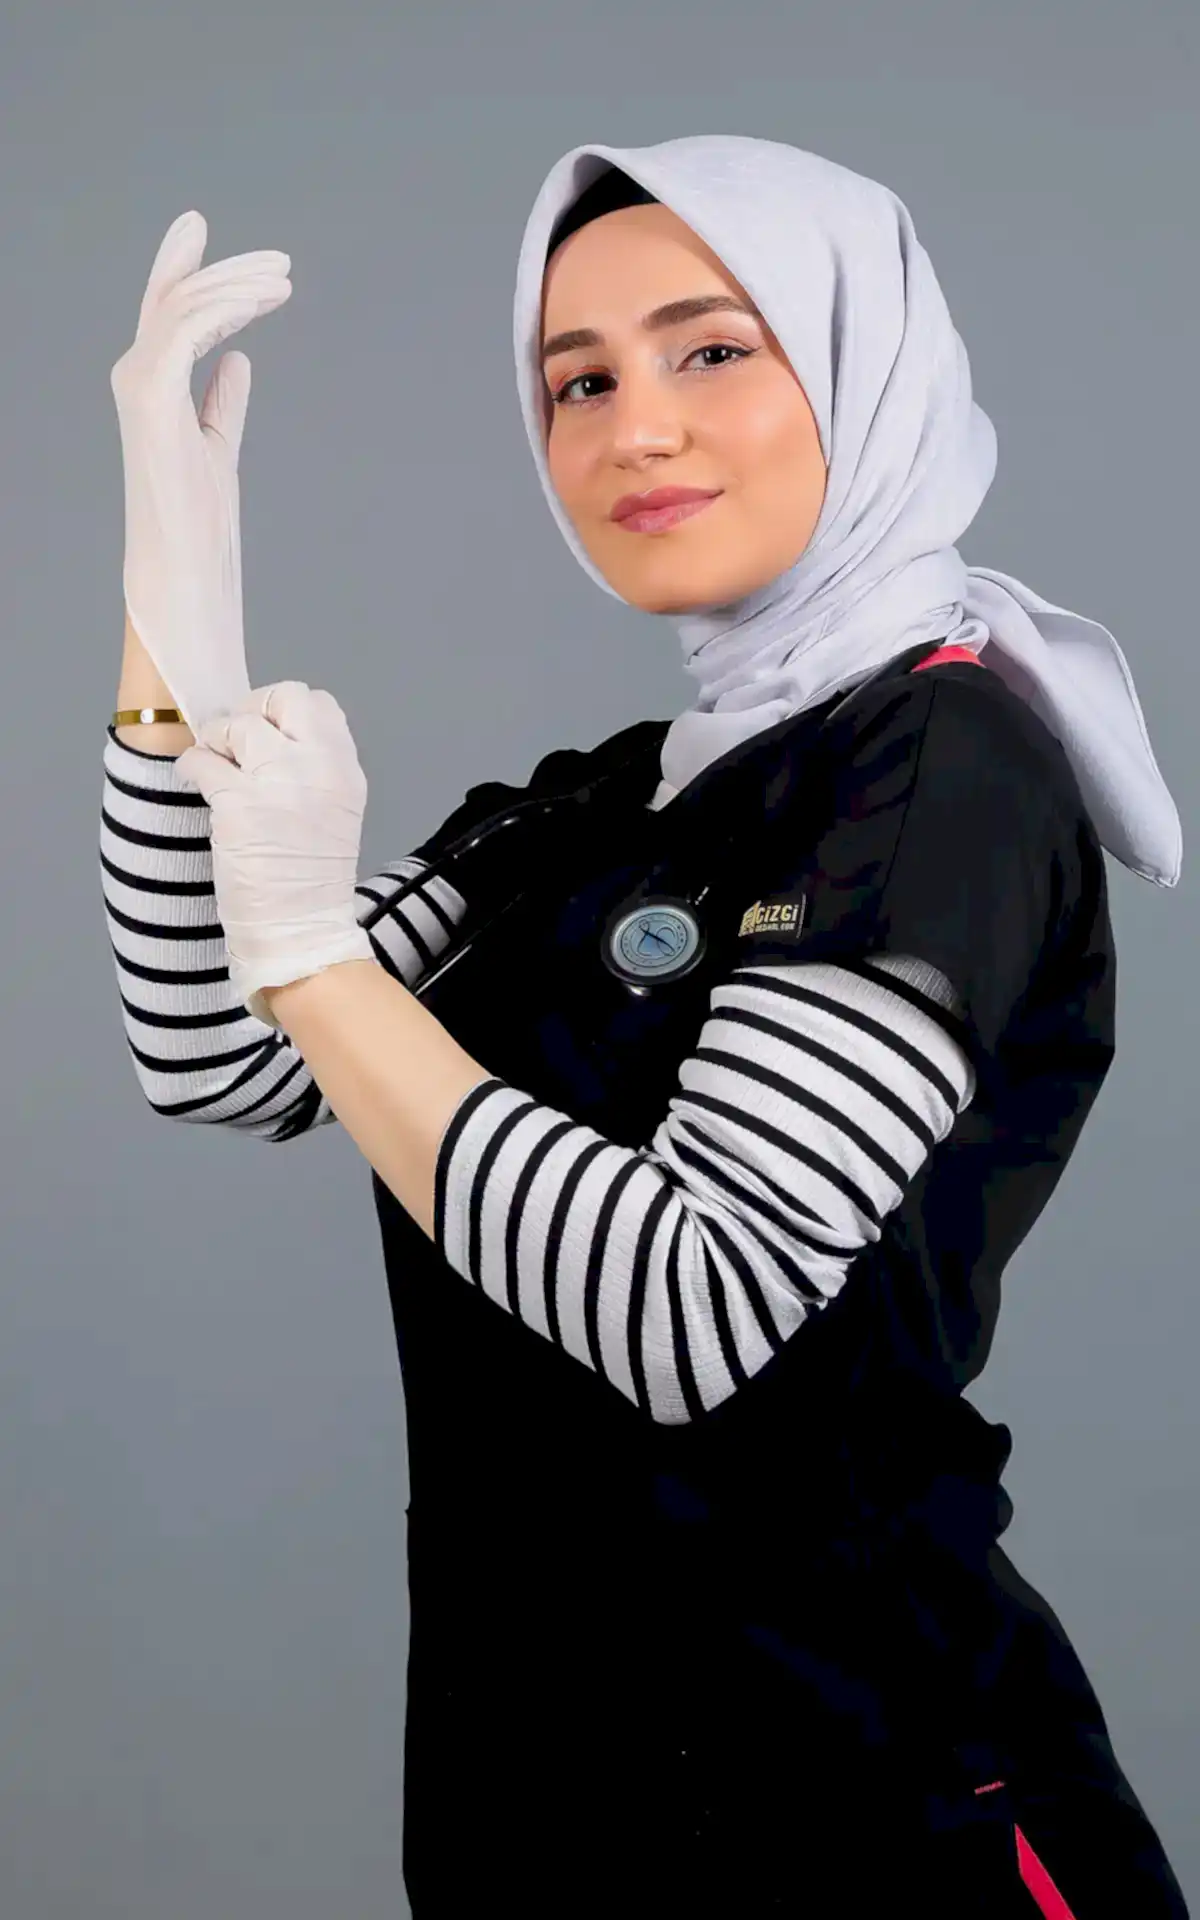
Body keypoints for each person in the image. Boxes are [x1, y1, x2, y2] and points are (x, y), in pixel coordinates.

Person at [100, 137, 1189, 1916]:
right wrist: (175, 600)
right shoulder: (613, 795)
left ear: (861, 362)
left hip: (859, 1792)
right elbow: (222, 1052)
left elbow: (698, 1309)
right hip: (540, 1775)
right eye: (580, 382)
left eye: (713, 350)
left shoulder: (942, 769)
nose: (637, 429)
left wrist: (311, 951)